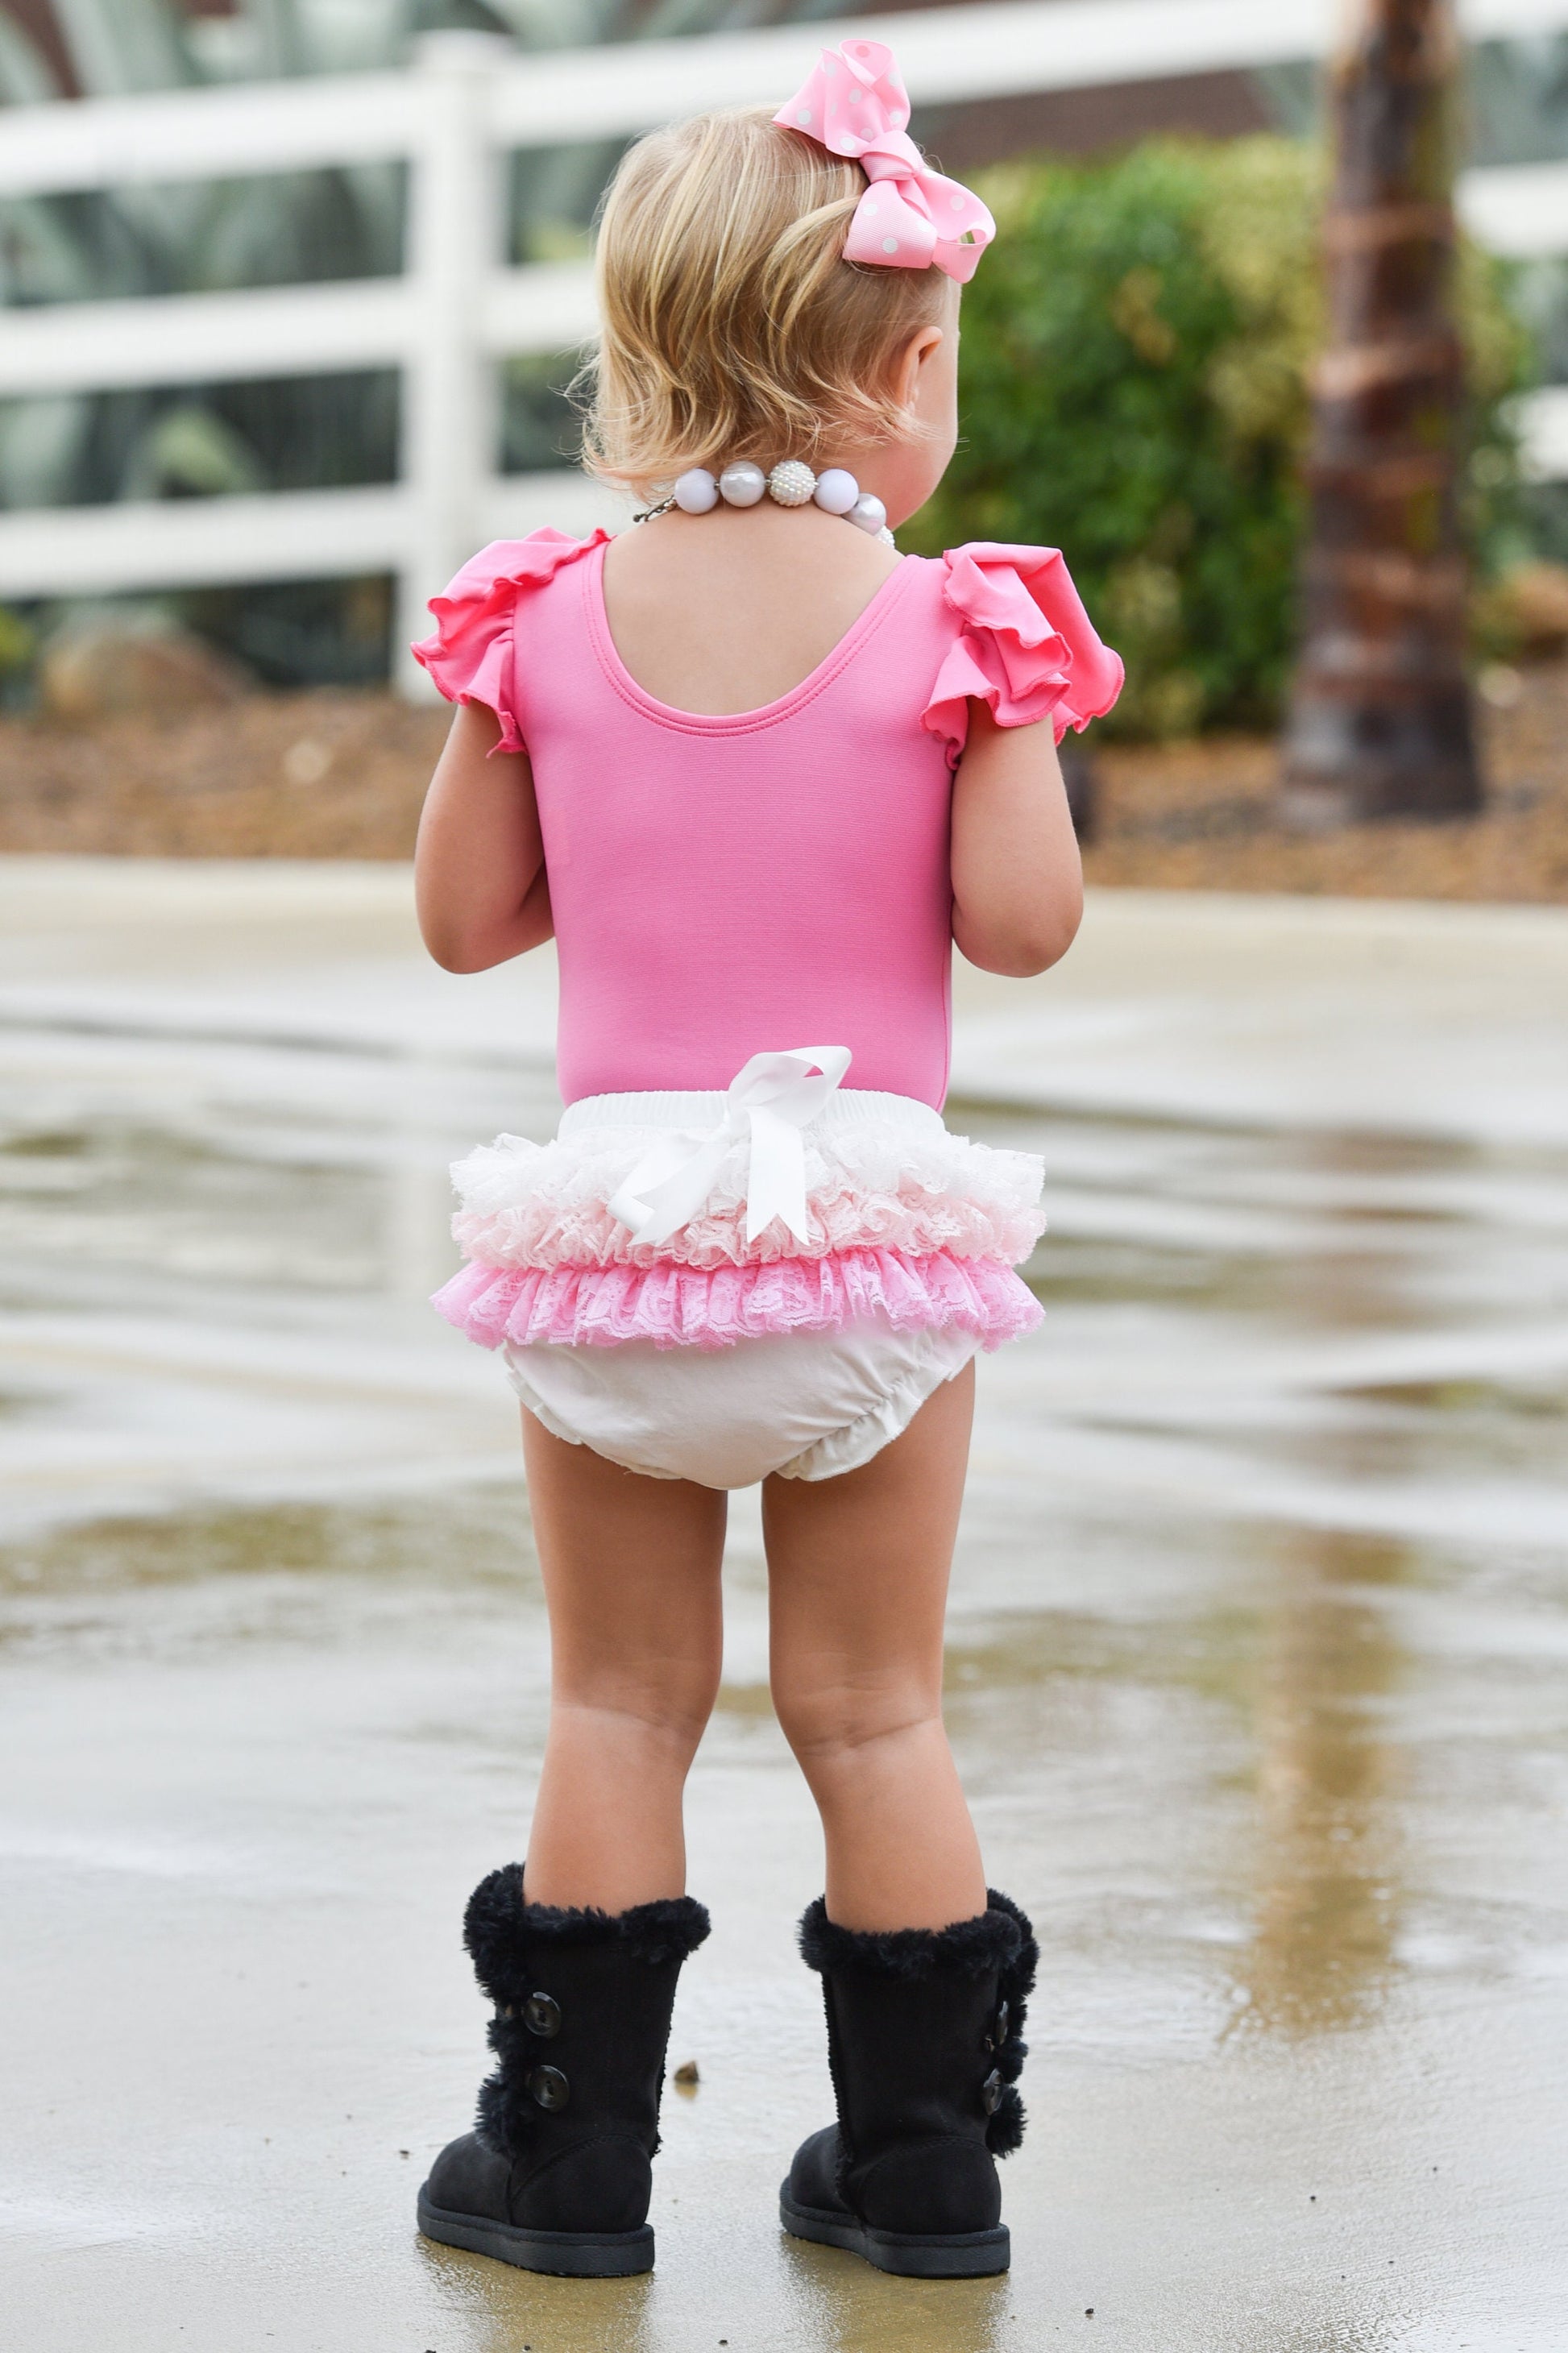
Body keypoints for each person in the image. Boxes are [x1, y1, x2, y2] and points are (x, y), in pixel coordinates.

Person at [409, 37, 1122, 2285]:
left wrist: (500, 722)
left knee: (620, 1698)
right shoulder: (952, 624)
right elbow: (1018, 931)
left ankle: (568, 2178)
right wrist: (1002, 726)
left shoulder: (534, 621)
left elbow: (465, 923)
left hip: (618, 1249)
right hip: (858, 1249)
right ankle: (917, 2181)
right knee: (870, 1705)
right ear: (905, 372)